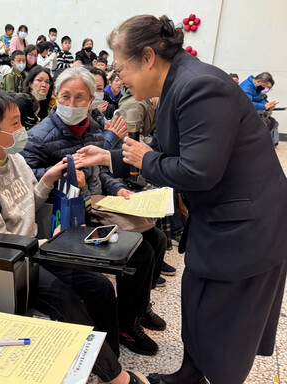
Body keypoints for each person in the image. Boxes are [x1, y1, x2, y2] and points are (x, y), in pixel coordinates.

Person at [77, 15, 287, 384]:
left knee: (227, 323)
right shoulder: (179, 86)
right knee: (198, 303)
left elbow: (199, 170)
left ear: (146, 57)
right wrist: (108, 157)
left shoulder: (199, 86)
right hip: (222, 221)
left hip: (247, 228)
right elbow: (163, 152)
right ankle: (189, 375)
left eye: (120, 67)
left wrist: (147, 158)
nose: (118, 78)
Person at [0, 86, 149, 384]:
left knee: (98, 287)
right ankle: (116, 377)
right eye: (15, 124)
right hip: (14, 264)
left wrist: (46, 180)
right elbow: (2, 244)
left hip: (35, 250)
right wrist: (49, 246)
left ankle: (108, 361)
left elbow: (26, 207)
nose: (23, 130)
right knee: (69, 301)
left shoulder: (14, 158)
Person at [21, 67, 167, 357]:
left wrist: (118, 189)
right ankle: (126, 323)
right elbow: (27, 177)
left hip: (98, 200)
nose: (72, 104)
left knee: (157, 238)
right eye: (66, 96)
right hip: (70, 208)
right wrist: (66, 173)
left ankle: (137, 308)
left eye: (80, 98)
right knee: (140, 252)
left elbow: (101, 171)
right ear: (55, 98)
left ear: (90, 101)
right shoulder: (38, 136)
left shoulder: (94, 129)